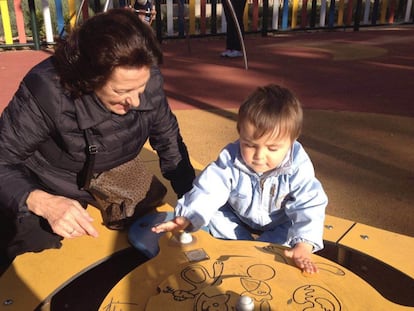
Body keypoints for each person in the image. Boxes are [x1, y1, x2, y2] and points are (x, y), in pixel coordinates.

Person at [0, 9, 195, 261]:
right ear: (90, 78)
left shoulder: (145, 73)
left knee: (145, 215)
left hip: (109, 164)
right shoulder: (47, 90)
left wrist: (192, 198)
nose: (136, 101)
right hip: (48, 177)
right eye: (122, 90)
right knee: (27, 239)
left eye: (142, 87)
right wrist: (43, 201)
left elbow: (168, 138)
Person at [153, 84, 328, 274]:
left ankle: (270, 246)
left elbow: (309, 205)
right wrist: (187, 216)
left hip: (280, 221)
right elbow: (208, 189)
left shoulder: (298, 167)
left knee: (287, 239)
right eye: (249, 145)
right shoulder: (231, 158)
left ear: (292, 141)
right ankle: (240, 245)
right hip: (238, 216)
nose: (259, 156)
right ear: (240, 134)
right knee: (213, 215)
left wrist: (303, 243)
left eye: (272, 148)